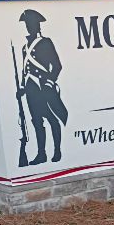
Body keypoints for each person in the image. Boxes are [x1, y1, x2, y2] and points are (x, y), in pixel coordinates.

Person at [19, 9, 68, 164]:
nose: (29, 27)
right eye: (27, 24)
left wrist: (49, 81)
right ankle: (41, 154)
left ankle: (57, 151)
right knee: (36, 121)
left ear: (37, 25)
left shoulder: (45, 43)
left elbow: (57, 66)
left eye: (31, 24)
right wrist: (22, 87)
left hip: (44, 87)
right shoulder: (24, 48)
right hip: (30, 89)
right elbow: (25, 70)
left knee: (52, 119)